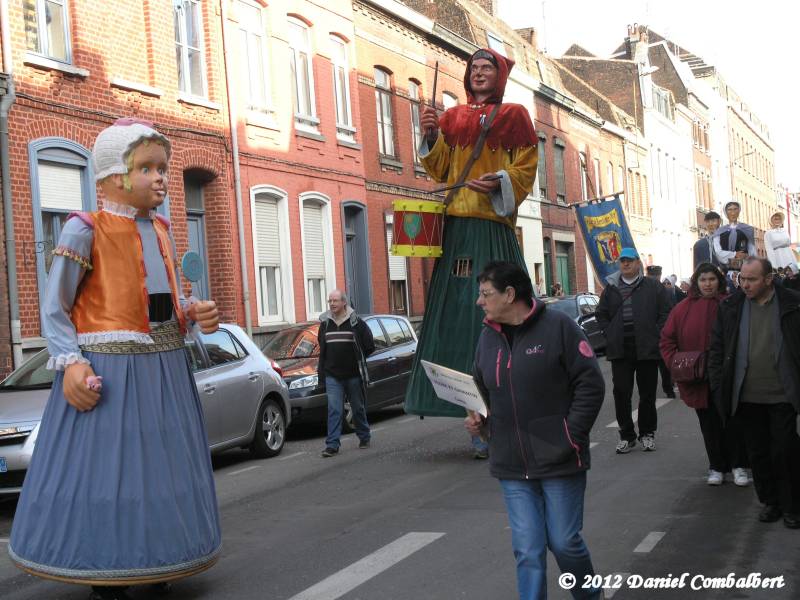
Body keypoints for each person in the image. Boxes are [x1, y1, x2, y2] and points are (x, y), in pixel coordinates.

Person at [8, 119, 222, 600]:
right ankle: (108, 571)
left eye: (162, 168)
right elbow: (55, 308)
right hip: (113, 375)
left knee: (163, 472)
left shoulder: (164, 230)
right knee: (109, 473)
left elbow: (165, 304)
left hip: (166, 370)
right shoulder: (84, 230)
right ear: (110, 175)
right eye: (146, 168)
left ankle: (160, 559)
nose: (160, 178)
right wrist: (71, 361)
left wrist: (193, 312)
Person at [404, 47, 537, 458]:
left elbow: (526, 167)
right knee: (460, 324)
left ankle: (510, 410)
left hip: (491, 226)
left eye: (486, 68)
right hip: (457, 229)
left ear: (499, 77)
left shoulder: (515, 115)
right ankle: (475, 417)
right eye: (474, 68)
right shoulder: (452, 117)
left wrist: (499, 181)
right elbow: (440, 169)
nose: (478, 73)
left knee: (501, 316)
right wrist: (431, 136)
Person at [465, 261, 604, 600]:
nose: (479, 301)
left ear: (510, 294)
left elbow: (590, 385)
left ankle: (589, 595)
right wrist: (479, 420)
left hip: (559, 457)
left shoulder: (559, 327)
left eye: (486, 294)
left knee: (564, 542)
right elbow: (481, 390)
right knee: (527, 550)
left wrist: (571, 435)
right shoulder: (487, 337)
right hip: (511, 461)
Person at [709, 257, 800, 528]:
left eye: (751, 279)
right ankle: (771, 502)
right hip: (746, 396)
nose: (744, 284)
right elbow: (717, 349)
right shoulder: (731, 306)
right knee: (757, 453)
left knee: (785, 451)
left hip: (783, 393)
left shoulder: (792, 304)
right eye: (742, 279)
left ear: (768, 279)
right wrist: (718, 385)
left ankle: (792, 506)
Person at [660, 263, 749, 486]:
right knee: (708, 423)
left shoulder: (730, 304)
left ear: (719, 281)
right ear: (696, 282)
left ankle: (738, 466)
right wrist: (676, 364)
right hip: (698, 377)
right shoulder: (681, 309)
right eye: (703, 280)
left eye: (712, 279)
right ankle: (716, 466)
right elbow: (667, 340)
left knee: (733, 421)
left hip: (728, 375)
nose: (707, 284)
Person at [596, 248, 671, 453]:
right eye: (622, 261)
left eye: (629, 260)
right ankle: (626, 436)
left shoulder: (653, 286)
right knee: (621, 393)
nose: (626, 264)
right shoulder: (611, 288)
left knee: (647, 394)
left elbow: (665, 312)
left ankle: (647, 434)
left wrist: (656, 333)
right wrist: (610, 333)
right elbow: (601, 314)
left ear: (638, 263)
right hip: (620, 349)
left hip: (647, 347)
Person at [318, 289, 375, 457]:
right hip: (332, 375)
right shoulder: (325, 324)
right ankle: (332, 445)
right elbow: (323, 347)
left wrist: (358, 359)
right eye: (330, 301)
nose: (332, 304)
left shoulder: (356, 323)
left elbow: (369, 345)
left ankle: (364, 436)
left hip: (353, 375)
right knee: (334, 410)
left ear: (344, 302)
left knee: (357, 408)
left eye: (335, 301)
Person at [646, 266, 676, 398]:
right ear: (660, 275)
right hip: (661, 332)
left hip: (651, 333)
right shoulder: (666, 290)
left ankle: (654, 391)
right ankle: (668, 389)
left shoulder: (643, 289)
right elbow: (671, 311)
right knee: (664, 363)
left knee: (652, 364)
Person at [714, 201, 756, 273]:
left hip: (744, 268)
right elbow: (717, 251)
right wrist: (735, 254)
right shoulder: (719, 231)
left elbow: (752, 249)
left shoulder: (747, 229)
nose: (733, 213)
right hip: (725, 270)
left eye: (735, 209)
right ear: (725, 212)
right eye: (729, 209)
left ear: (739, 211)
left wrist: (749, 258)